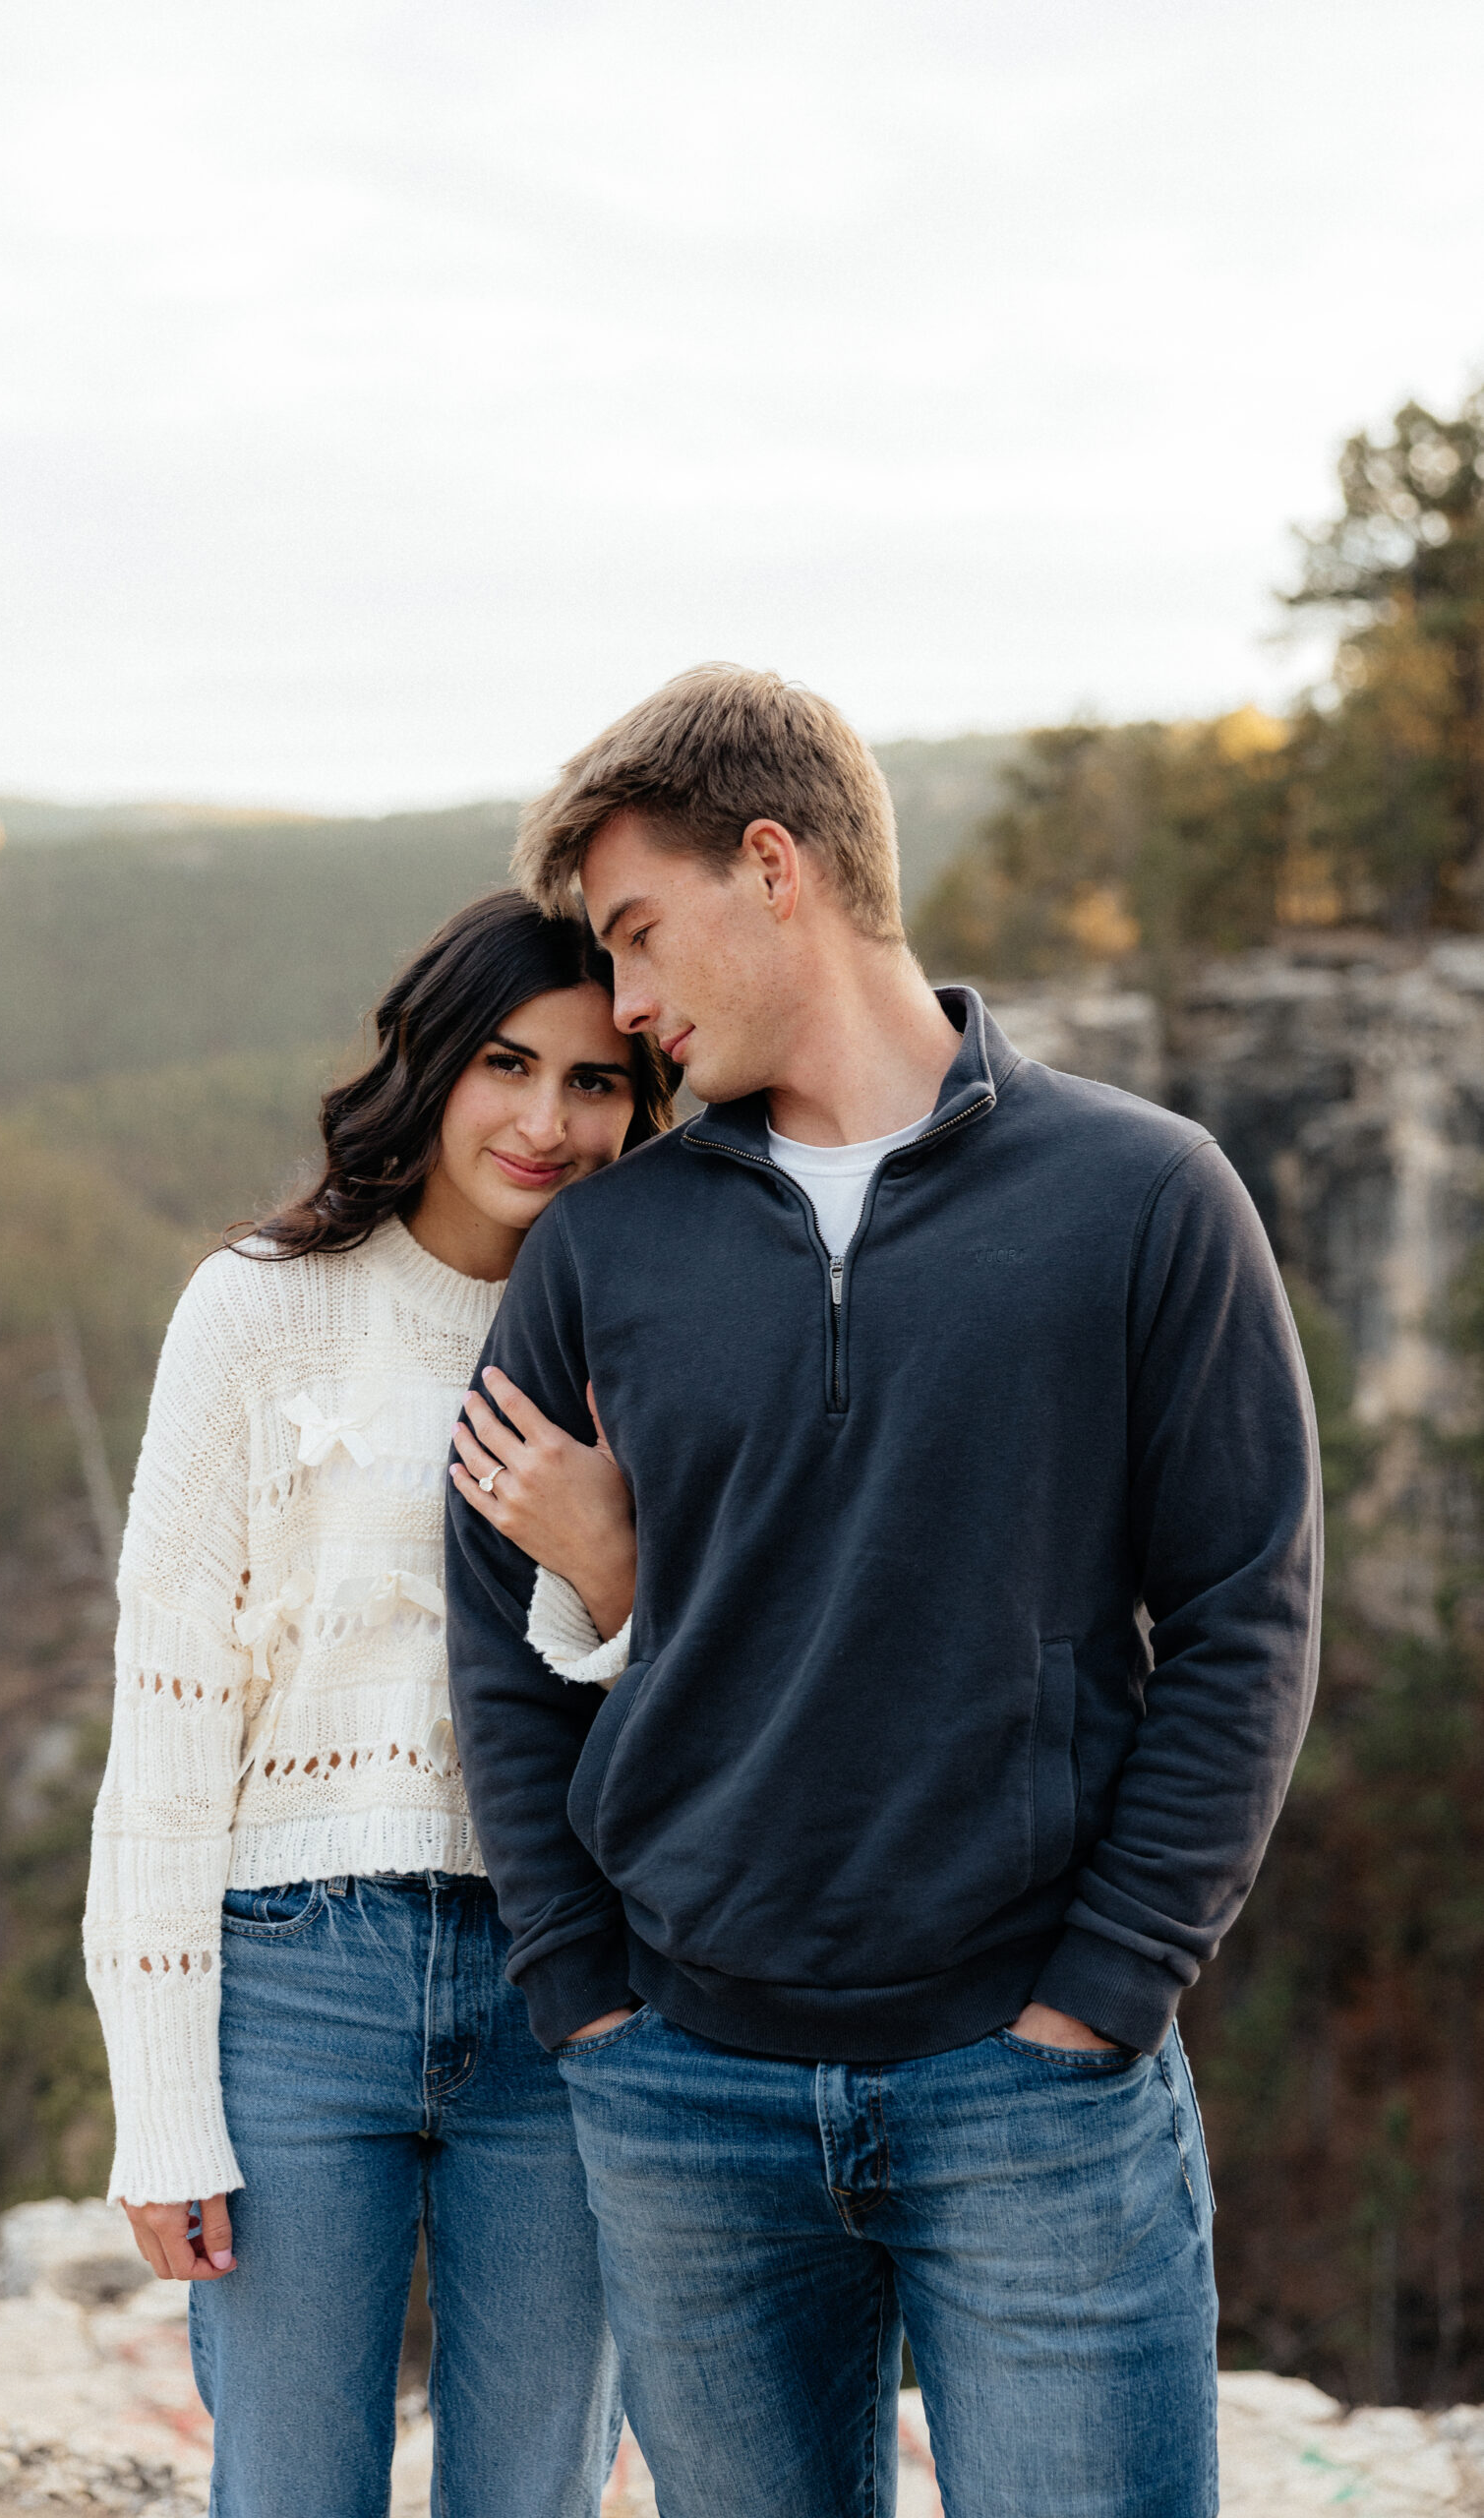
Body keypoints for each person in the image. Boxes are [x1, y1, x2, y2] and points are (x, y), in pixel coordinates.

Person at [445, 667, 1324, 2518]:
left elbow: (1246, 1618)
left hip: (1035, 2096)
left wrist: (1107, 1992)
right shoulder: (606, 1252)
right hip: (683, 2091)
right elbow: (497, 1634)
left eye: (637, 934)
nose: (624, 1008)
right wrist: (586, 2000)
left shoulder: (1149, 1198)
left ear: (776, 866)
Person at [83, 891, 676, 2518]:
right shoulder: (257, 1311)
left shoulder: (656, 1340)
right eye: (507, 1063)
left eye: (597, 1082)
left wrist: (613, 1571)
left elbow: (723, 1706)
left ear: (646, 1105)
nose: (547, 1121)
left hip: (569, 1987)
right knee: (289, 2494)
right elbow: (170, 1722)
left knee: (534, 2490)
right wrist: (162, 2108)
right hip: (294, 1987)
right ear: (429, 1061)